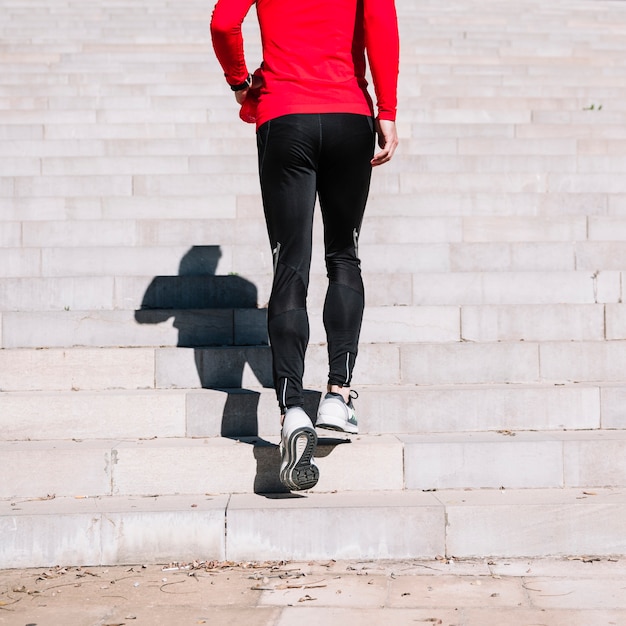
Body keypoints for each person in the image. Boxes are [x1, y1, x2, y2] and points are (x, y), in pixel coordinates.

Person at [211, 0, 399, 491]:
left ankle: (293, 409)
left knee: (290, 266)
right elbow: (381, 24)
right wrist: (389, 109)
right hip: (348, 115)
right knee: (344, 256)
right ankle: (338, 395)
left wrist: (238, 82)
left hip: (284, 116)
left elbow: (224, 22)